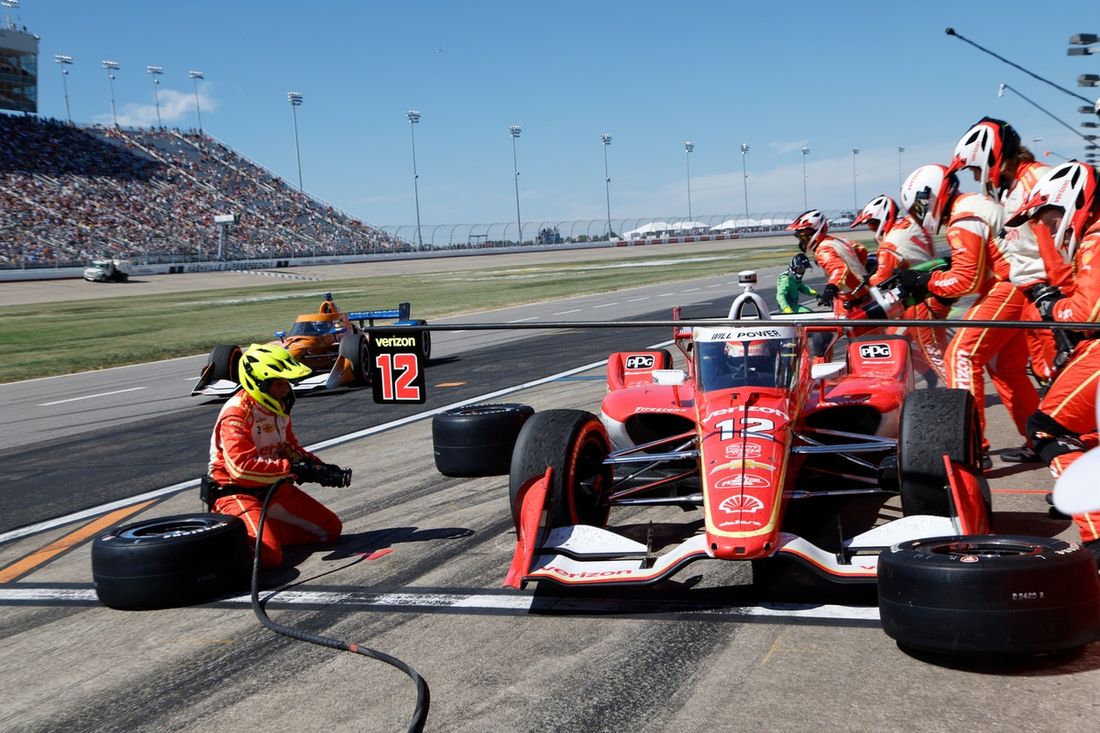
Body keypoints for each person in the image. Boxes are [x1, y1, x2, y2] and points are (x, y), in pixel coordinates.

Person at [894, 162, 1040, 467]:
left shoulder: (963, 216)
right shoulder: (970, 205)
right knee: (1008, 371)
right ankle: (1040, 440)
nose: (920, 216)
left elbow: (966, 279)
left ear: (931, 196)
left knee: (960, 355)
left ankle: (972, 447)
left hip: (1009, 286)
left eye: (920, 207)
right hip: (1019, 284)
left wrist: (923, 280)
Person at [1007, 160, 1100, 565]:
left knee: (1049, 430)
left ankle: (1096, 541)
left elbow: (1088, 312)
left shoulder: (1096, 236)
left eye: (1049, 216)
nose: (1048, 226)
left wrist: (1051, 305)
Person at [205, 343, 346, 568]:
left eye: (286, 382)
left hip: (272, 488)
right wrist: (292, 470)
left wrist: (318, 468)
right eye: (279, 383)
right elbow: (241, 468)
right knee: (269, 557)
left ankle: (259, 532)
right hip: (234, 493)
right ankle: (244, 536)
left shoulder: (278, 409)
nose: (285, 388)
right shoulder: (236, 414)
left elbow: (289, 446)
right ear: (259, 383)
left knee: (329, 530)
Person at [948, 116, 1055, 408]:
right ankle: (1044, 443)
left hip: (1051, 299)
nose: (973, 177)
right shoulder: (1016, 188)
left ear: (991, 156)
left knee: (1060, 380)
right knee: (1044, 376)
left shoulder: (1038, 181)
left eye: (973, 168)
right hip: (1032, 298)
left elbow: (1066, 243)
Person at [853, 194, 945, 385]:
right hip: (935, 287)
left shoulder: (890, 244)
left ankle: (957, 391)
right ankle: (930, 376)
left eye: (872, 222)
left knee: (896, 344)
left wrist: (867, 281)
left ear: (884, 217)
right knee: (903, 341)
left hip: (919, 301)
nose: (870, 227)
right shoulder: (910, 224)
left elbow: (881, 280)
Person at [786, 209, 868, 316]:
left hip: (853, 303)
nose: (802, 241)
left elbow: (839, 269)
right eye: (800, 237)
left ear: (815, 232)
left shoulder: (823, 250)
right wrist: (859, 271)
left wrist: (830, 289)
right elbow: (861, 250)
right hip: (865, 294)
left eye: (803, 237)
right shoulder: (838, 240)